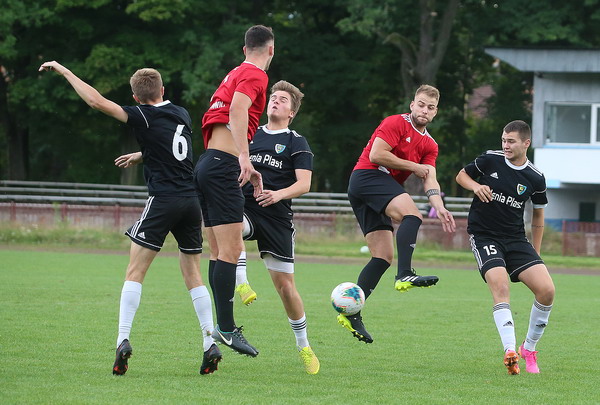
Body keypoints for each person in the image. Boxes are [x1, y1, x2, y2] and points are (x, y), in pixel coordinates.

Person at [38, 62, 221, 376]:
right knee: (193, 274)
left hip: (163, 200)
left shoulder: (142, 115)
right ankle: (209, 343)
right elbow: (170, 145)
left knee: (135, 271)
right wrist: (142, 154)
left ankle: (122, 340)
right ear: (162, 90)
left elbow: (96, 101)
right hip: (191, 202)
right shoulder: (181, 113)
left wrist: (65, 72)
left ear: (136, 98)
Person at [342, 84, 456, 343]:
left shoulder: (430, 145)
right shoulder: (395, 122)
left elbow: (430, 178)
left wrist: (439, 206)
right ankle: (405, 273)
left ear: (435, 112)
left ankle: (352, 312)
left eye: (430, 107)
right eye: (421, 104)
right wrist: (413, 166)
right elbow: (377, 154)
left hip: (374, 187)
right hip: (367, 176)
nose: (424, 110)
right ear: (412, 105)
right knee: (412, 216)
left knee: (382, 256)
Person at [194, 25, 274, 357]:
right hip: (224, 164)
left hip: (207, 163)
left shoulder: (234, 73)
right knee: (232, 249)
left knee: (218, 252)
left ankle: (222, 326)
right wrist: (244, 156)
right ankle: (226, 329)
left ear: (244, 49)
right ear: (271, 50)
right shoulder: (256, 75)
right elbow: (237, 110)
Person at [233, 80, 319, 374]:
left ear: (291, 112)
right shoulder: (250, 135)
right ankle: (242, 283)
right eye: (273, 97)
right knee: (231, 225)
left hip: (277, 217)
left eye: (283, 99)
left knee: (286, 288)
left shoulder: (296, 142)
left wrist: (278, 194)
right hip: (247, 207)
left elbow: (304, 184)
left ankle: (304, 346)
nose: (275, 101)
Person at [456, 120, 554, 375]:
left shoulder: (535, 177)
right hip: (485, 236)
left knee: (547, 291)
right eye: (503, 140)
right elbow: (461, 175)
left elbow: (538, 215)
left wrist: (536, 252)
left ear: (526, 143)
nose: (505, 145)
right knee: (500, 287)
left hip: (516, 239)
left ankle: (528, 349)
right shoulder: (491, 160)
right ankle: (510, 350)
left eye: (511, 141)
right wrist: (476, 186)